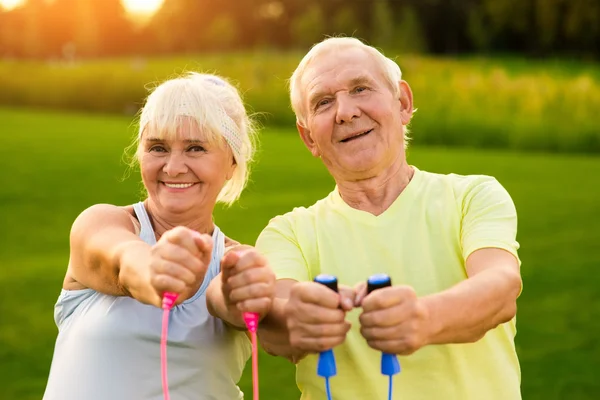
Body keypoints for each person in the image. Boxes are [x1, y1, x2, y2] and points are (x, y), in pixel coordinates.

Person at [253, 37, 523, 399]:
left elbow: (501, 288)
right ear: (308, 138)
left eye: (360, 88)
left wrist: (425, 319)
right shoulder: (289, 233)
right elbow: (272, 325)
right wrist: (299, 321)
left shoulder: (472, 196)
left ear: (403, 103)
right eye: (323, 102)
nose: (345, 112)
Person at [43, 72, 275, 400]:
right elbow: (125, 261)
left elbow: (231, 299)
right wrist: (157, 267)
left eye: (195, 148)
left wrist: (245, 294)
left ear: (231, 163)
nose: (173, 166)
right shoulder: (101, 223)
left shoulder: (237, 262)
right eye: (158, 148)